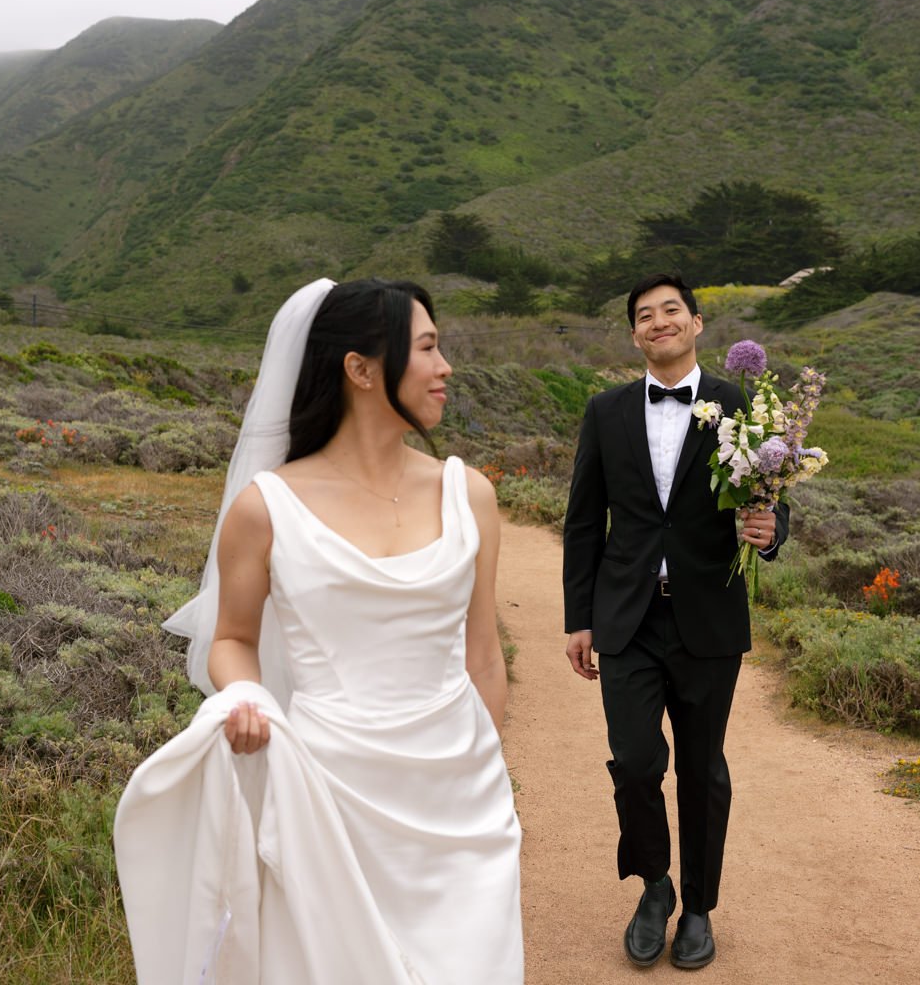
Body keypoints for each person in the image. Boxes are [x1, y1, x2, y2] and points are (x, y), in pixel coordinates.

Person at [114, 278, 522, 984]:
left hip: (463, 803)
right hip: (328, 792)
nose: (445, 366)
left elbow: (483, 655)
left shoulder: (470, 494)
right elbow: (232, 640)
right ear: (361, 370)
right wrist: (250, 701)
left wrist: (485, 777)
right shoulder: (266, 508)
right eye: (427, 347)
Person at [561, 272, 789, 970]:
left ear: (695, 323)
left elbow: (773, 492)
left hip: (708, 619)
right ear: (634, 334)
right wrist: (579, 617)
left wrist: (769, 529)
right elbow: (582, 521)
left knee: (701, 769)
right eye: (644, 315)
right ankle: (655, 884)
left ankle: (698, 907)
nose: (658, 322)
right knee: (634, 762)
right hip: (624, 615)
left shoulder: (740, 402)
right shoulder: (605, 411)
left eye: (670, 311)